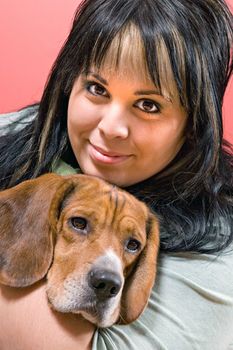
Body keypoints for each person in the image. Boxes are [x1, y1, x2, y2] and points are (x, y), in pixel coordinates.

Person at [0, 0, 233, 349]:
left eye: (149, 105)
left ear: (194, 126)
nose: (110, 128)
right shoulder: (21, 138)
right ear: (69, 83)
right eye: (97, 88)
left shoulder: (219, 253)